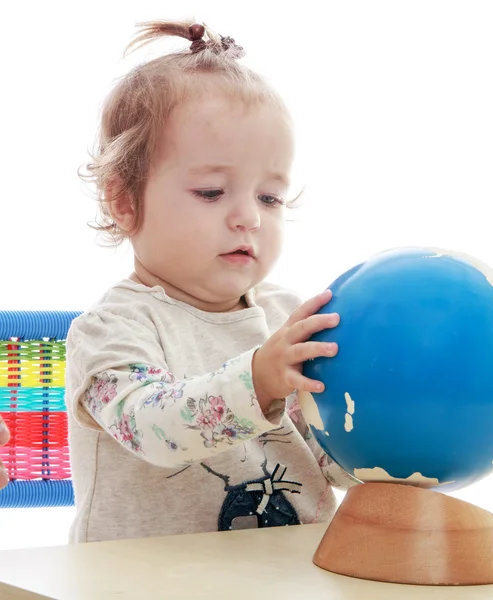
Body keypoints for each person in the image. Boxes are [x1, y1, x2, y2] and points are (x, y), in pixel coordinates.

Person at [66, 18, 356, 544]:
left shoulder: (288, 317)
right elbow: (152, 429)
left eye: (270, 197)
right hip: (141, 585)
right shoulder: (110, 330)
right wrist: (259, 381)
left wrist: (384, 439)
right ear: (124, 200)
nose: (249, 217)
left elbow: (329, 461)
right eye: (211, 192)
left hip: (288, 580)